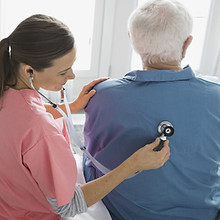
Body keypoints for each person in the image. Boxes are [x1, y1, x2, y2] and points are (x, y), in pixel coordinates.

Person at [0, 14, 171, 220]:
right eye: (63, 72)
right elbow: (69, 206)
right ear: (29, 70)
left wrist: (70, 107)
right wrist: (133, 164)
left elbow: (20, 117)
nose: (71, 76)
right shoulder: (41, 130)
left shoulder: (7, 90)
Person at [83, 0, 220, 220]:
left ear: (132, 40)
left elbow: (91, 156)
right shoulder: (216, 94)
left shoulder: (101, 94)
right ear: (187, 44)